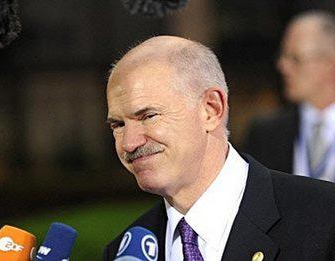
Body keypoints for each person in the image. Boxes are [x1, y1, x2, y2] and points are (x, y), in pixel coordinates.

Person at [103, 35, 335, 261]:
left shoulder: (324, 217)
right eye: (118, 124)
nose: (130, 143)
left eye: (149, 116)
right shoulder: (124, 253)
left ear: (211, 109)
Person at [244, 10, 335, 182]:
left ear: (330, 65)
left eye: (295, 59)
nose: (282, 66)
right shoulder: (265, 133)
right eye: (282, 56)